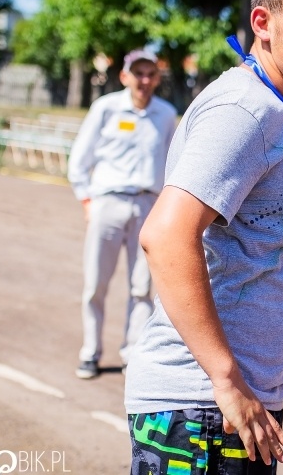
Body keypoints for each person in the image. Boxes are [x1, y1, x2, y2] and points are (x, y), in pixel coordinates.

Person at [123, 0, 283, 475]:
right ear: (263, 23)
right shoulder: (247, 110)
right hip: (204, 408)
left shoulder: (269, 105)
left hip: (222, 404)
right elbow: (165, 234)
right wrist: (227, 380)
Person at [67, 49, 177, 380]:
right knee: (95, 283)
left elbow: (173, 164)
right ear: (125, 76)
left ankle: (133, 353)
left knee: (142, 286)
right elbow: (80, 157)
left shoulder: (166, 114)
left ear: (157, 78)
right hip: (107, 203)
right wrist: (87, 200)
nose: (144, 80)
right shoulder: (106, 108)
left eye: (150, 74)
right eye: (138, 73)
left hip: (148, 205)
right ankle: (90, 352)